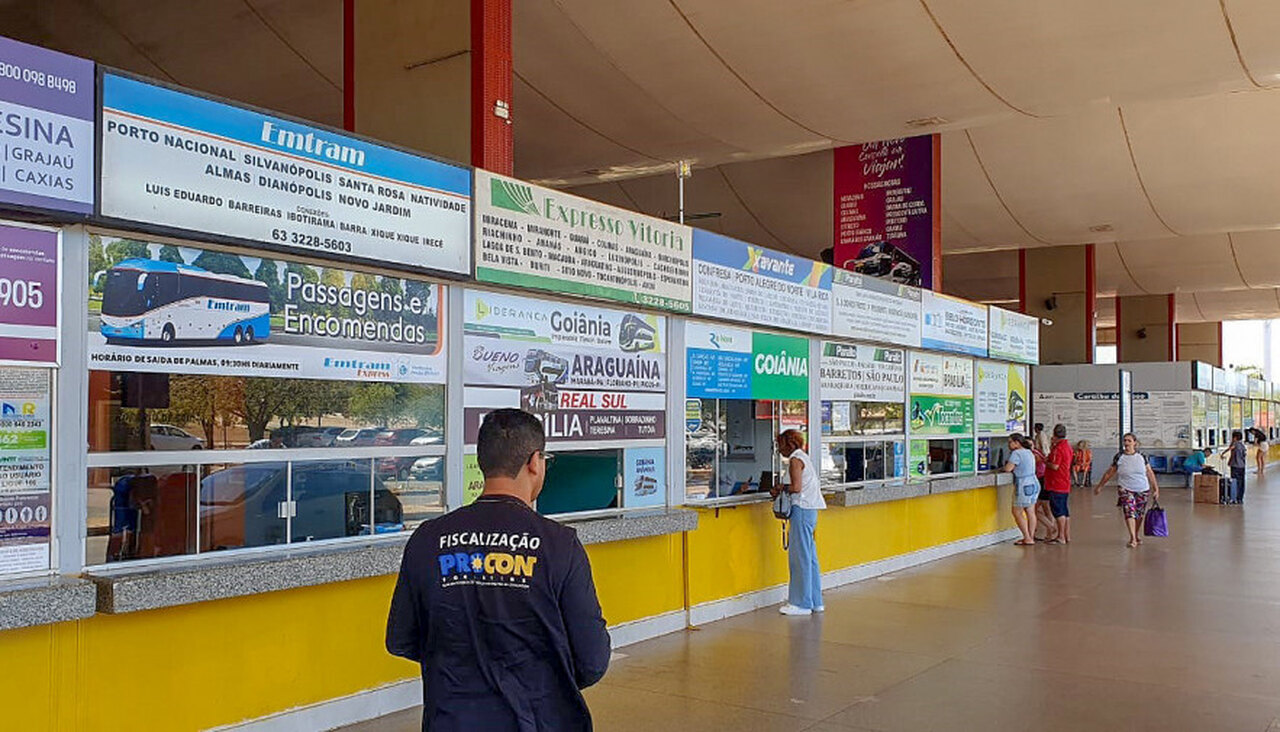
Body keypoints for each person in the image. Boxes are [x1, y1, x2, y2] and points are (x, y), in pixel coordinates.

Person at [386, 408, 611, 731]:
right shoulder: (559, 545)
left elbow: (401, 640)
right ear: (535, 462)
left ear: (483, 461)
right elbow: (592, 662)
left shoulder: (427, 539)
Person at [770, 429, 825, 616]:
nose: (779, 450)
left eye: (780, 445)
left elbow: (796, 487)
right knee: (810, 558)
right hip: (810, 510)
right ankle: (815, 601)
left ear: (789, 444)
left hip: (801, 510)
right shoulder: (804, 457)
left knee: (799, 558)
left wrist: (780, 487)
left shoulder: (795, 460)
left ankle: (800, 603)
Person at [1095, 433, 1160, 547]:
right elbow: (1110, 472)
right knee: (1129, 512)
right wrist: (1100, 486)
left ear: (1135, 442)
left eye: (1129, 441)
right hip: (1125, 488)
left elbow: (1150, 473)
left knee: (1139, 514)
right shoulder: (1119, 456)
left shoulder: (1142, 457)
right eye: (1124, 440)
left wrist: (1156, 489)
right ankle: (1133, 538)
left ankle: (1135, 534)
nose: (1126, 443)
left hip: (1142, 488)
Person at [1001, 433, 1039, 545]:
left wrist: (1004, 466)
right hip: (1033, 482)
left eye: (1010, 442)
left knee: (1017, 511)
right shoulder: (1029, 452)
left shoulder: (1016, 453)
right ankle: (1031, 536)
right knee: (1030, 511)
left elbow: (1008, 469)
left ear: (1017, 442)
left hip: (1023, 485)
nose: (1009, 445)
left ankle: (1027, 537)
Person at [1042, 424, 1074, 544]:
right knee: (1064, 511)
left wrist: (1046, 461)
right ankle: (1066, 535)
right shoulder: (1068, 447)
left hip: (1056, 483)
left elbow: (1055, 466)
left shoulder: (1058, 449)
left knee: (1058, 511)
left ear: (1054, 435)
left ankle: (1060, 536)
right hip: (1064, 482)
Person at [1221, 430, 1248, 504]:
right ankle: (1240, 498)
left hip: (1235, 465)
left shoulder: (1235, 443)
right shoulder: (1242, 445)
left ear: (1235, 438)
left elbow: (1230, 448)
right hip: (1242, 466)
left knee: (1235, 481)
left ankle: (1234, 497)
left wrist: (1223, 454)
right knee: (1241, 482)